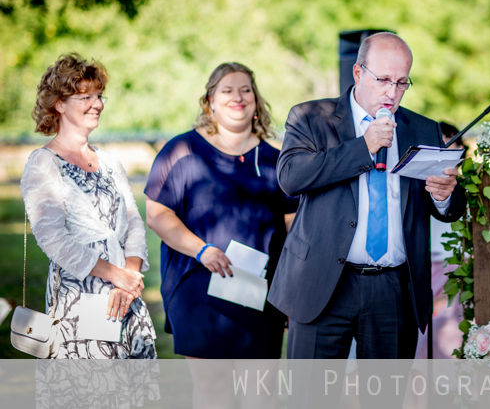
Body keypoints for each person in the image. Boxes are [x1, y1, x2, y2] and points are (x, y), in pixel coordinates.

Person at [269, 32, 468, 359]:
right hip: (323, 283)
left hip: (393, 290)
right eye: (384, 80)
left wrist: (445, 195)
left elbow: (450, 209)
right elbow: (292, 178)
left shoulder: (423, 129)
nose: (392, 92)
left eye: (402, 83)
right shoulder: (311, 118)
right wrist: (364, 147)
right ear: (358, 73)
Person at [144, 62, 297, 361]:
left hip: (261, 294)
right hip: (198, 290)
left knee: (260, 394)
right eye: (227, 90)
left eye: (245, 90)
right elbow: (157, 215)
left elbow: (294, 232)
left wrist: (291, 291)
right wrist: (203, 251)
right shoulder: (182, 150)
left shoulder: (277, 162)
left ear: (256, 101)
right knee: (213, 392)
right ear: (210, 101)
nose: (237, 97)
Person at [20, 53, 157, 360]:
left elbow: (133, 222)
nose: (97, 104)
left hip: (125, 296)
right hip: (78, 301)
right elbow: (53, 239)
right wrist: (113, 274)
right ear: (59, 103)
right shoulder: (43, 163)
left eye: (98, 95)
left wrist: (128, 278)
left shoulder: (109, 161)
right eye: (85, 96)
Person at [415, 121, 467, 359]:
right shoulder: (419, 182)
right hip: (427, 266)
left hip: (456, 266)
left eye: (450, 143)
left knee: (452, 335)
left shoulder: (468, 186)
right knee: (421, 336)